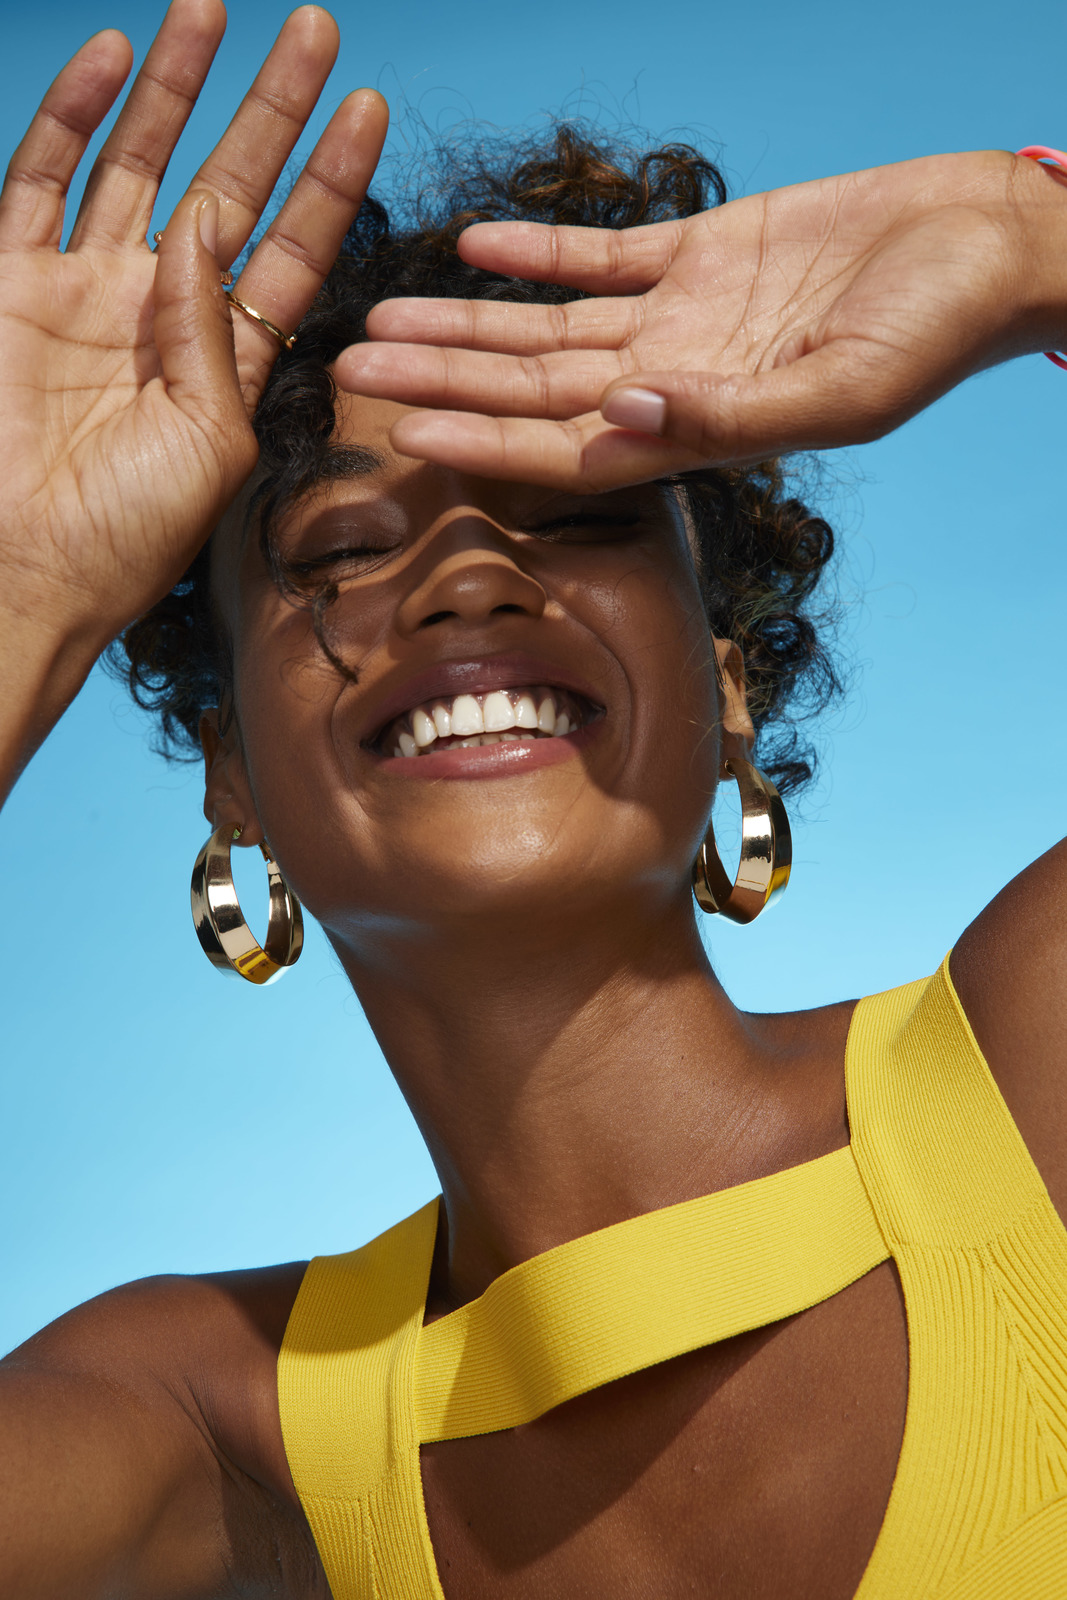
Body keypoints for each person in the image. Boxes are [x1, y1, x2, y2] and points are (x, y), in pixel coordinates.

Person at [1, 0, 1066, 1596]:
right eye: (343, 554)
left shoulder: (1034, 1074)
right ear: (233, 770)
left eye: (575, 520)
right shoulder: (206, 1422)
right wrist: (13, 603)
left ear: (727, 686)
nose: (467, 580)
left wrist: (1040, 238)